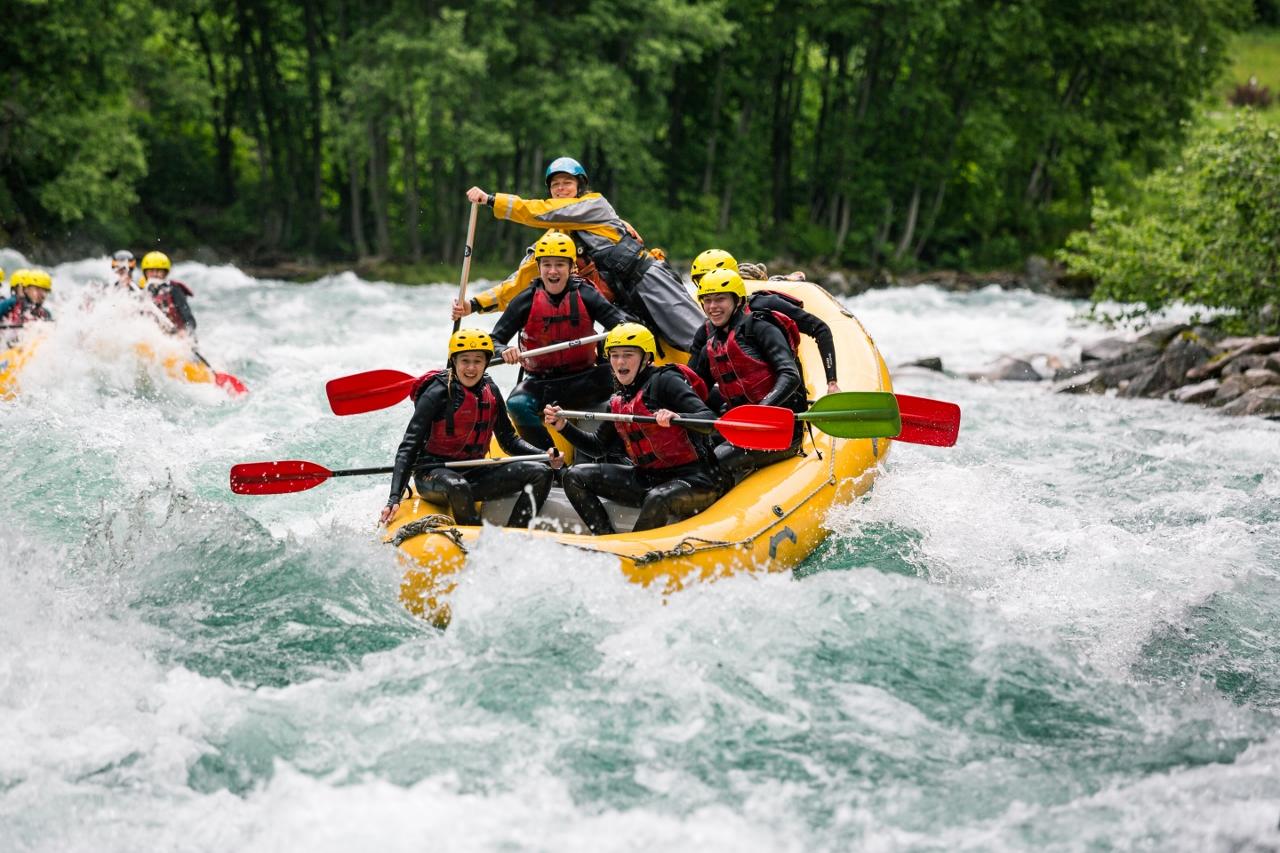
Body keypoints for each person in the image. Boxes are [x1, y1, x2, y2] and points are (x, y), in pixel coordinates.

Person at [455, 156, 704, 354]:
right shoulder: (555, 240)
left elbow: (538, 212)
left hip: (647, 279)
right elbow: (521, 279)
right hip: (620, 302)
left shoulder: (594, 205)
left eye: (567, 183)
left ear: (580, 186)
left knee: (695, 336)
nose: (561, 189)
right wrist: (475, 304)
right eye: (555, 185)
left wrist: (491, 200)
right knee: (629, 349)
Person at [543, 323, 723, 535]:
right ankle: (606, 540)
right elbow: (598, 447)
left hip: (695, 479)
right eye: (614, 355)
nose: (620, 362)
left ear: (646, 358)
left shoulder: (666, 381)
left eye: (628, 355)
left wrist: (679, 417)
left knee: (658, 498)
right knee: (574, 476)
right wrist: (563, 426)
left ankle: (634, 556)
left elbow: (711, 421)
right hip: (646, 477)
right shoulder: (619, 399)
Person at [380, 329, 558, 529]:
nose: (471, 368)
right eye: (465, 360)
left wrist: (543, 455)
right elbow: (409, 447)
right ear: (454, 361)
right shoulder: (437, 393)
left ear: (486, 363)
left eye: (478, 361)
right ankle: (475, 542)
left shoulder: (491, 390)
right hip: (433, 473)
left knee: (541, 473)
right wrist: (394, 497)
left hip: (475, 470)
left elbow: (508, 440)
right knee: (458, 486)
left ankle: (516, 535)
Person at [489, 230, 634, 449]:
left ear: (571, 267)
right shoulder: (526, 300)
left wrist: (615, 342)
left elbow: (623, 326)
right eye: (547, 264)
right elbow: (494, 341)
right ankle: (550, 460)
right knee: (517, 404)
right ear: (539, 268)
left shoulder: (586, 294)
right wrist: (504, 351)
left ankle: (613, 452)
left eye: (560, 264)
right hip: (542, 383)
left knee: (625, 390)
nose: (553, 271)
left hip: (587, 379)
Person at [689, 268, 806, 485]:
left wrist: (760, 411)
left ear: (737, 300)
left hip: (779, 430)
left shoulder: (760, 327)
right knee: (695, 451)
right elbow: (695, 392)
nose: (713, 307)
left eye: (720, 299)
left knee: (712, 462)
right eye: (707, 300)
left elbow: (790, 375)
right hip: (741, 429)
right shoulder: (711, 345)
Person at [688, 249, 839, 395]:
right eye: (702, 281)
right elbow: (692, 380)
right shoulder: (707, 331)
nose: (709, 285)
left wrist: (832, 383)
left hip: (782, 397)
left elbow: (820, 329)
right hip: (739, 402)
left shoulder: (766, 306)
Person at [139, 251, 197, 335]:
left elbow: (189, 319)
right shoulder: (141, 291)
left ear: (165, 273)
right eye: (151, 271)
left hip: (176, 336)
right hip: (153, 336)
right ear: (145, 273)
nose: (155, 274)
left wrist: (186, 332)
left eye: (159, 271)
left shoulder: (174, 290)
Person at [1, 269, 54, 340]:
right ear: (26, 289)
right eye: (37, 289)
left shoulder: (45, 313)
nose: (42, 294)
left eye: (45, 291)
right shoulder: (10, 304)